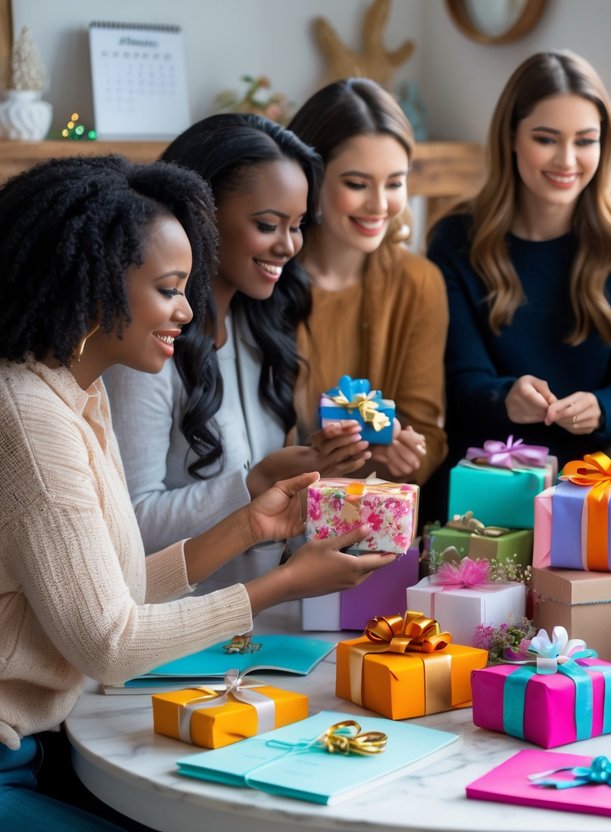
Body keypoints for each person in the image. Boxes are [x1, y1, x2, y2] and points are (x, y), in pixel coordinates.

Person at [0, 156, 393, 829]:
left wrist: (248, 528)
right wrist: (283, 584)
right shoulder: (30, 418)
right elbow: (111, 644)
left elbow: (108, 592)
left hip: (41, 748)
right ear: (96, 285)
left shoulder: (74, 395)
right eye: (168, 288)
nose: (187, 309)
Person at [105, 114, 367, 554]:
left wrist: (328, 462)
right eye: (267, 225)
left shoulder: (260, 326)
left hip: (268, 617)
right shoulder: (143, 348)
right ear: (201, 216)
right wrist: (256, 481)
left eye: (298, 225)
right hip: (185, 621)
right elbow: (131, 526)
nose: (289, 245)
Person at [424, 50, 611, 520]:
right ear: (511, 137)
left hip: (591, 490)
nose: (567, 160)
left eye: (585, 141)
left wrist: (602, 407)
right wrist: (505, 396)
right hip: (482, 483)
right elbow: (457, 381)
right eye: (546, 139)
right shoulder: (455, 238)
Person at [288, 78, 448, 486]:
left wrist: (402, 455)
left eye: (395, 183)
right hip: (273, 522)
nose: (380, 205)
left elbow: (427, 435)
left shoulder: (419, 283)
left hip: (376, 518)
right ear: (311, 178)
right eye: (357, 184)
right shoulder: (266, 280)